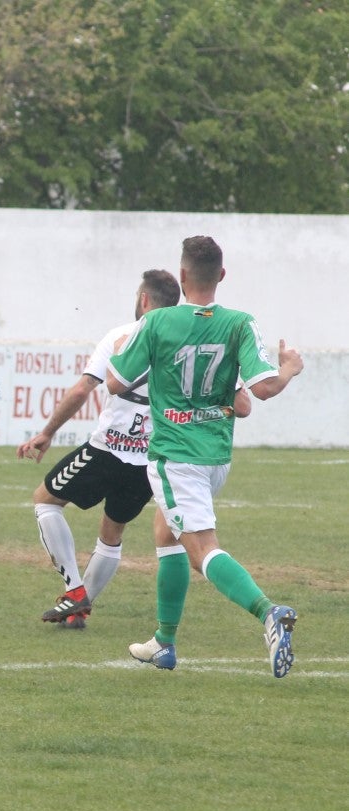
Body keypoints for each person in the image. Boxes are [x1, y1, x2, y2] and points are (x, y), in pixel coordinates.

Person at [108, 235, 302, 677]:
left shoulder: (157, 323)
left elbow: (116, 382)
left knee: (201, 551)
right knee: (165, 531)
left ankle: (269, 613)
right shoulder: (239, 323)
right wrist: (288, 366)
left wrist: (139, 343)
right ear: (222, 276)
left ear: (181, 276)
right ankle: (163, 641)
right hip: (215, 455)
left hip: (175, 455)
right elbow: (263, 390)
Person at [19, 270, 187, 628]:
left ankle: (75, 591)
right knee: (112, 533)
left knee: (45, 500)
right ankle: (78, 606)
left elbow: (82, 391)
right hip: (149, 461)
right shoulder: (183, 346)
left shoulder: (120, 337)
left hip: (107, 450)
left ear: (144, 299)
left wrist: (47, 432)